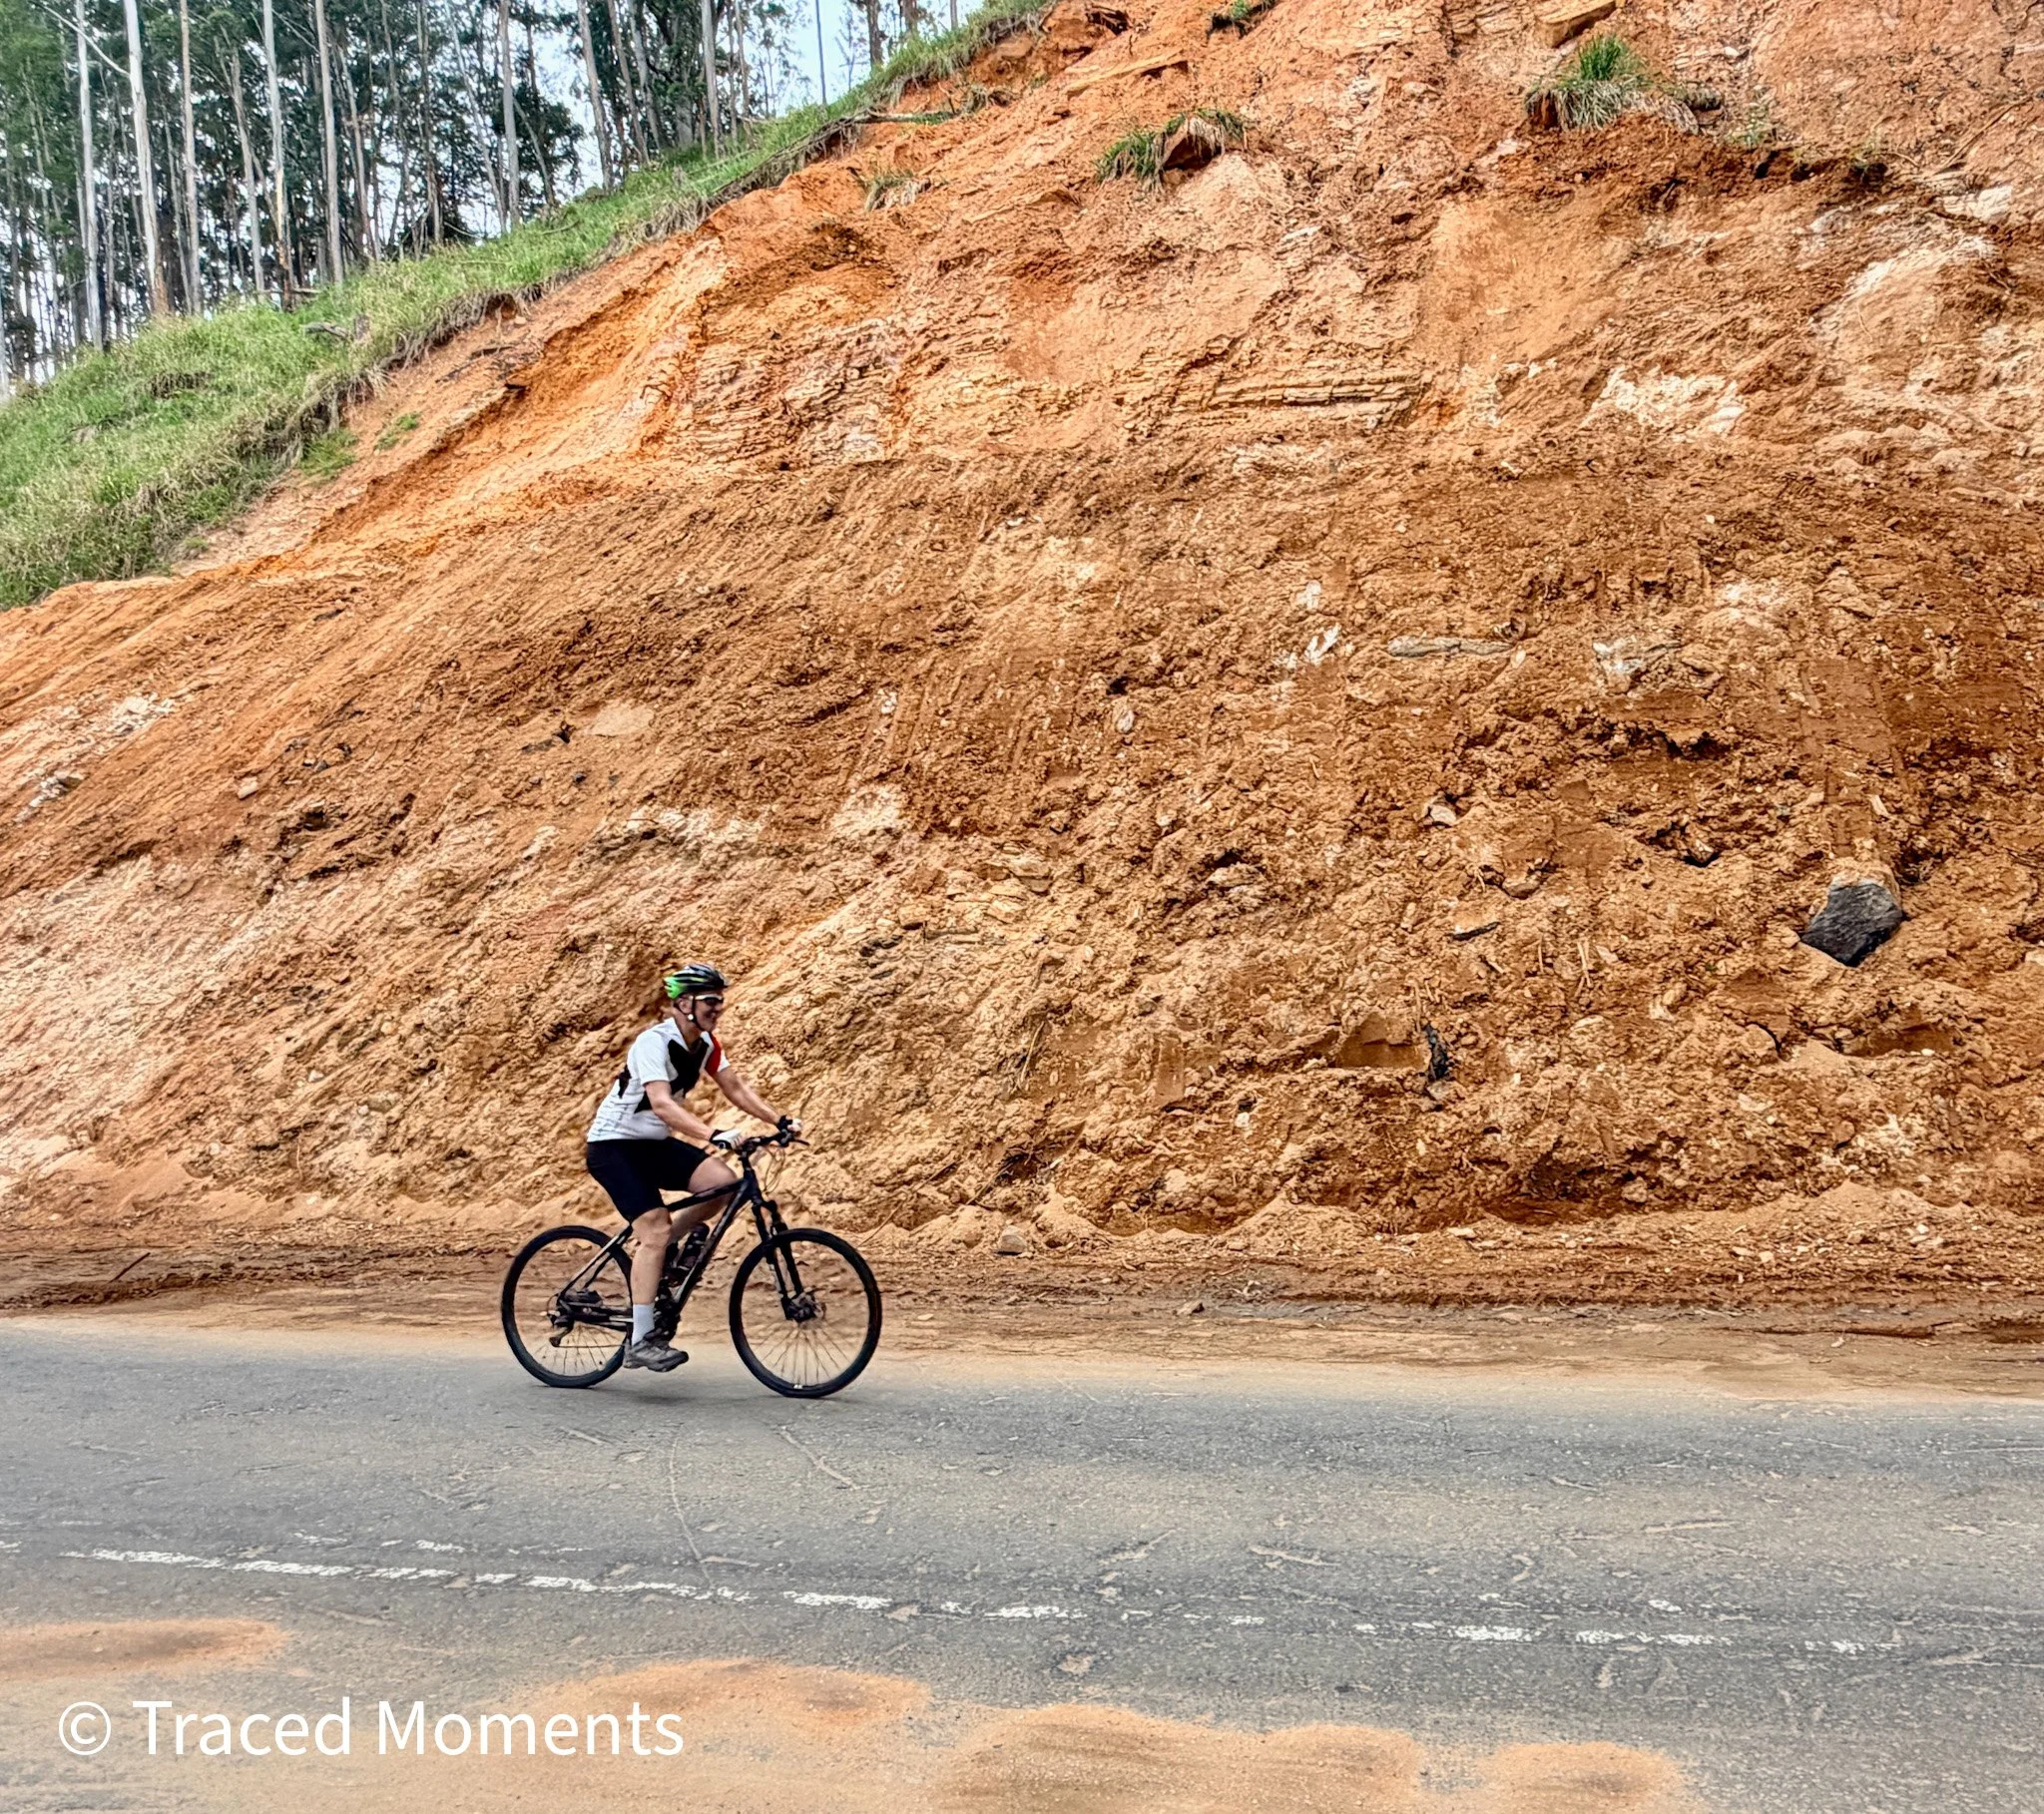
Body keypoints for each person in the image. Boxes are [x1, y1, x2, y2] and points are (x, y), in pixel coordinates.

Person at [584, 963, 798, 1372]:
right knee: (656, 1229)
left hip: (653, 1145)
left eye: (720, 999)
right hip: (614, 1146)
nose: (718, 1007)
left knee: (723, 1182)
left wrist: (778, 1121)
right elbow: (662, 1103)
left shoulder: (705, 1044)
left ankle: (658, 1252)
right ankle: (641, 1339)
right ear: (684, 1003)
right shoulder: (654, 1043)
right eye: (710, 1000)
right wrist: (711, 1132)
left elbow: (734, 1087)